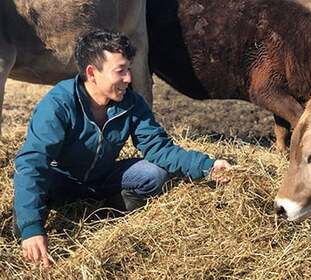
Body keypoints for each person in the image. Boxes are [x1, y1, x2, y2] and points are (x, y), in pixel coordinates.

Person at [12, 30, 232, 268]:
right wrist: (31, 228)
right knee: (27, 210)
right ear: (92, 73)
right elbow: (33, 163)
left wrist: (208, 166)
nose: (128, 78)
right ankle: (37, 216)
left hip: (101, 179)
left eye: (128, 69)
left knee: (153, 174)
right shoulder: (59, 103)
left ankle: (107, 212)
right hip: (60, 182)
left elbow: (158, 148)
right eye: (120, 71)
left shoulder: (131, 102)